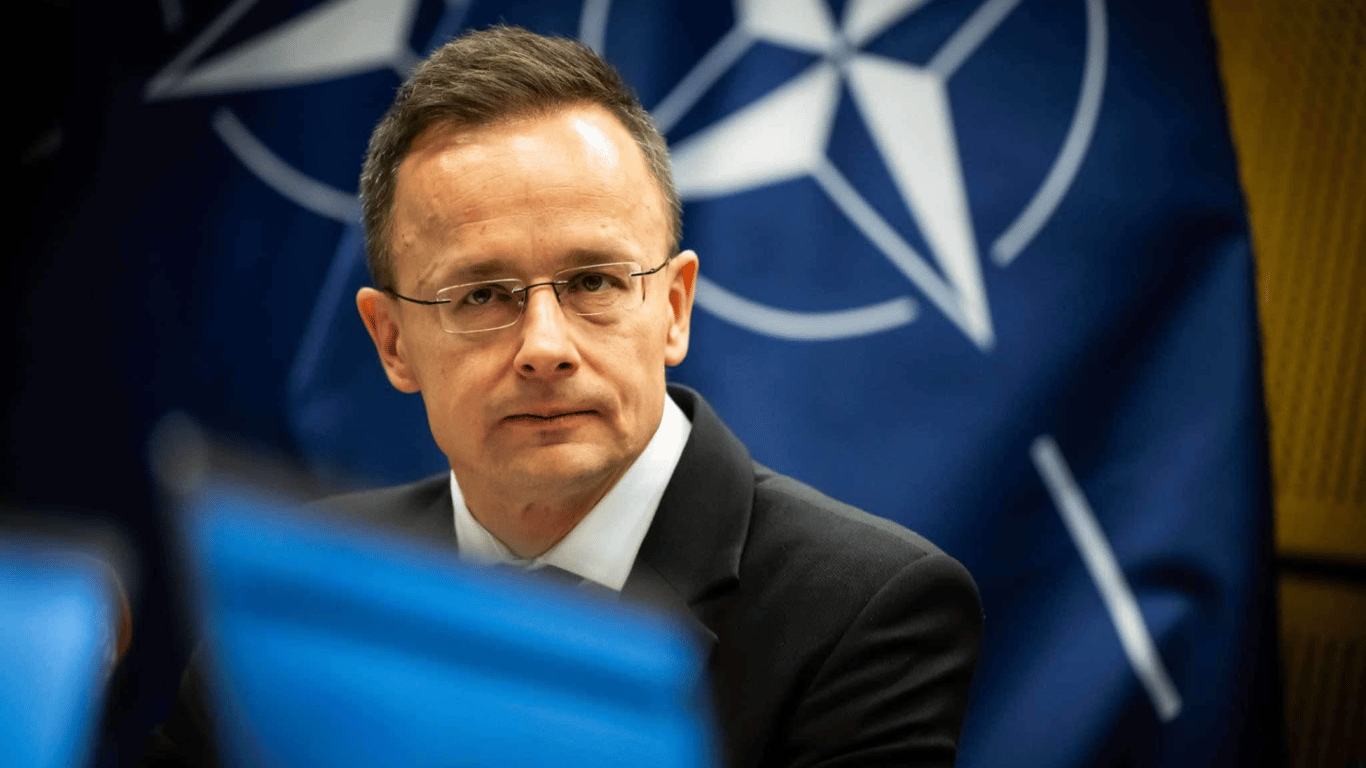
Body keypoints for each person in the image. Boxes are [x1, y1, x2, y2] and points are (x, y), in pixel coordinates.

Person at [142, 25, 982, 768]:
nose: (545, 347)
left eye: (593, 282)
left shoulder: (867, 612)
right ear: (392, 341)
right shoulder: (301, 597)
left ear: (674, 308)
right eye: (481, 295)